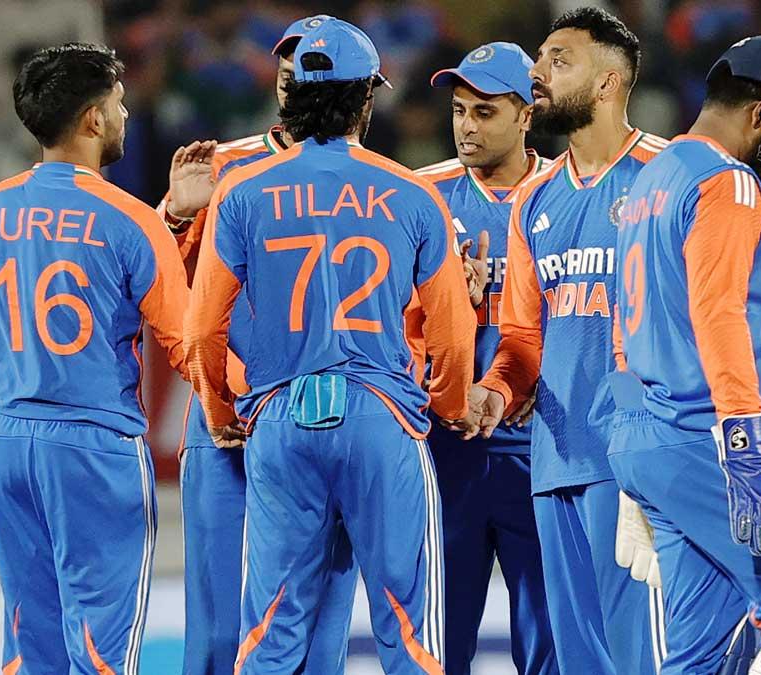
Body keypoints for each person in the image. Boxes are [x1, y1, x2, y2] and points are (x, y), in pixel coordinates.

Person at [183, 17, 478, 673]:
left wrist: (220, 411)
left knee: (271, 634)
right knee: (410, 634)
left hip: (281, 419)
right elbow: (453, 334)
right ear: (367, 98)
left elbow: (202, 327)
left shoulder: (242, 192)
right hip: (382, 419)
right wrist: (452, 405)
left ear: (291, 96)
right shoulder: (413, 194)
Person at [0, 43, 188, 674]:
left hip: (11, 444)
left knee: (29, 644)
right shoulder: (131, 219)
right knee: (102, 652)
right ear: (94, 119)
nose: (126, 118)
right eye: (120, 105)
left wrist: (20, 363)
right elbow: (188, 344)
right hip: (96, 447)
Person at [611, 36, 761, 675]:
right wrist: (751, 446)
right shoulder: (726, 182)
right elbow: (718, 314)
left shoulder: (649, 179)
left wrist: (635, 454)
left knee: (698, 657)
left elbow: (621, 333)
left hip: (648, 439)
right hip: (715, 436)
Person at [467, 7, 668, 673]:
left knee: (642, 656)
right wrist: (497, 389)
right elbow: (524, 334)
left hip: (636, 464)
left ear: (608, 83)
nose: (538, 72)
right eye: (539, 60)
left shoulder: (670, 178)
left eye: (559, 59)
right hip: (556, 462)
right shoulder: (537, 199)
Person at [159, 15, 358, 675]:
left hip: (324, 417)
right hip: (230, 419)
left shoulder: (376, 180)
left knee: (320, 626)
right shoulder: (220, 166)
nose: (296, 75)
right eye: (291, 65)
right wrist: (176, 218)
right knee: (218, 630)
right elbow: (163, 289)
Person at [415, 42, 557, 675]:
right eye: (459, 110)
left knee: (549, 646)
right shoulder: (420, 196)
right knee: (441, 647)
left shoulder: (568, 193)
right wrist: (442, 299)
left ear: (526, 114)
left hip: (545, 448)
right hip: (449, 449)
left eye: (486, 112)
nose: (467, 126)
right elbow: (382, 322)